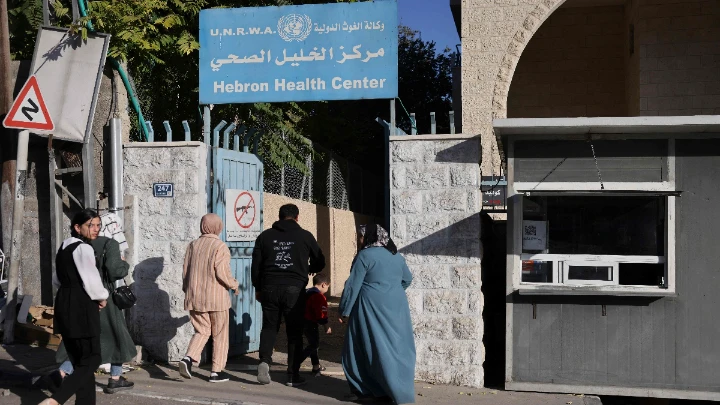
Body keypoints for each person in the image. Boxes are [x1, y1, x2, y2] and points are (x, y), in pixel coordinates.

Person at [339, 224, 416, 405]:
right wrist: (392, 291)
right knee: (397, 347)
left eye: (361, 236)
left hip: (370, 307)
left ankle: (365, 390)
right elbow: (407, 279)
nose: (359, 240)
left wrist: (344, 310)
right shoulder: (396, 256)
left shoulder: (364, 256)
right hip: (397, 307)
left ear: (369, 237)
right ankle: (396, 390)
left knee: (358, 347)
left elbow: (353, 285)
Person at [51, 233, 137, 394]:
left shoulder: (74, 245)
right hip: (102, 296)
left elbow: (59, 276)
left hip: (80, 297)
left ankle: (61, 373)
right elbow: (114, 270)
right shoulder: (109, 243)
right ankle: (115, 379)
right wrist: (124, 265)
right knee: (117, 337)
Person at [251, 204, 326, 387]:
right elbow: (320, 260)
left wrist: (258, 288)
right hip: (295, 289)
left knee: (269, 327)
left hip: (269, 286)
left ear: (279, 217)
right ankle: (292, 375)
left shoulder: (265, 236)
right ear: (297, 217)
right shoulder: (305, 236)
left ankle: (264, 361)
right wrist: (308, 269)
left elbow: (256, 267)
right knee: (294, 333)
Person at [40, 210, 109, 405]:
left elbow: (56, 279)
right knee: (93, 359)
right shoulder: (84, 249)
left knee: (81, 363)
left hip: (64, 302)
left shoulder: (64, 247)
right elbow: (92, 280)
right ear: (77, 227)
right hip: (82, 305)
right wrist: (102, 298)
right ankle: (55, 400)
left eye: (97, 225)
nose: (95, 229)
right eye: (90, 225)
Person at [178, 213, 240, 383]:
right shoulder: (220, 246)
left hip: (195, 297)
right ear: (218, 227)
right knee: (220, 334)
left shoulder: (193, 245)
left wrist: (187, 290)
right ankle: (216, 372)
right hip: (216, 298)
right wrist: (234, 285)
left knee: (202, 330)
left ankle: (188, 358)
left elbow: (186, 272)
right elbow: (222, 272)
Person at [298, 273, 332, 376]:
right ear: (323, 284)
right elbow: (321, 314)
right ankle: (296, 363)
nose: (327, 290)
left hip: (302, 321)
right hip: (311, 323)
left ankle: (316, 366)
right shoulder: (319, 297)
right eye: (327, 287)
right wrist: (326, 326)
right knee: (314, 345)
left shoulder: (306, 292)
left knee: (313, 344)